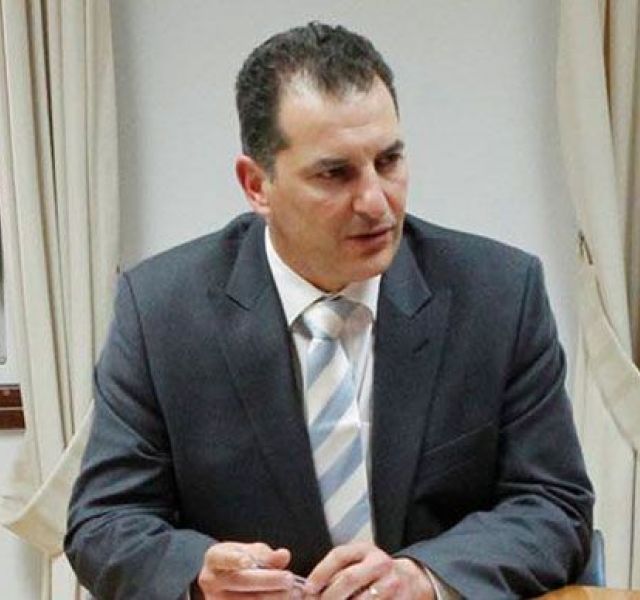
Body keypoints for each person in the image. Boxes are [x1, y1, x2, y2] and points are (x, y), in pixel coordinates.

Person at [65, 22, 593, 600]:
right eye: (334, 174)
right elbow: (105, 522)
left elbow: (553, 504)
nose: (375, 202)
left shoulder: (498, 295)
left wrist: (424, 576)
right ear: (256, 185)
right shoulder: (161, 312)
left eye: (388, 161)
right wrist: (198, 574)